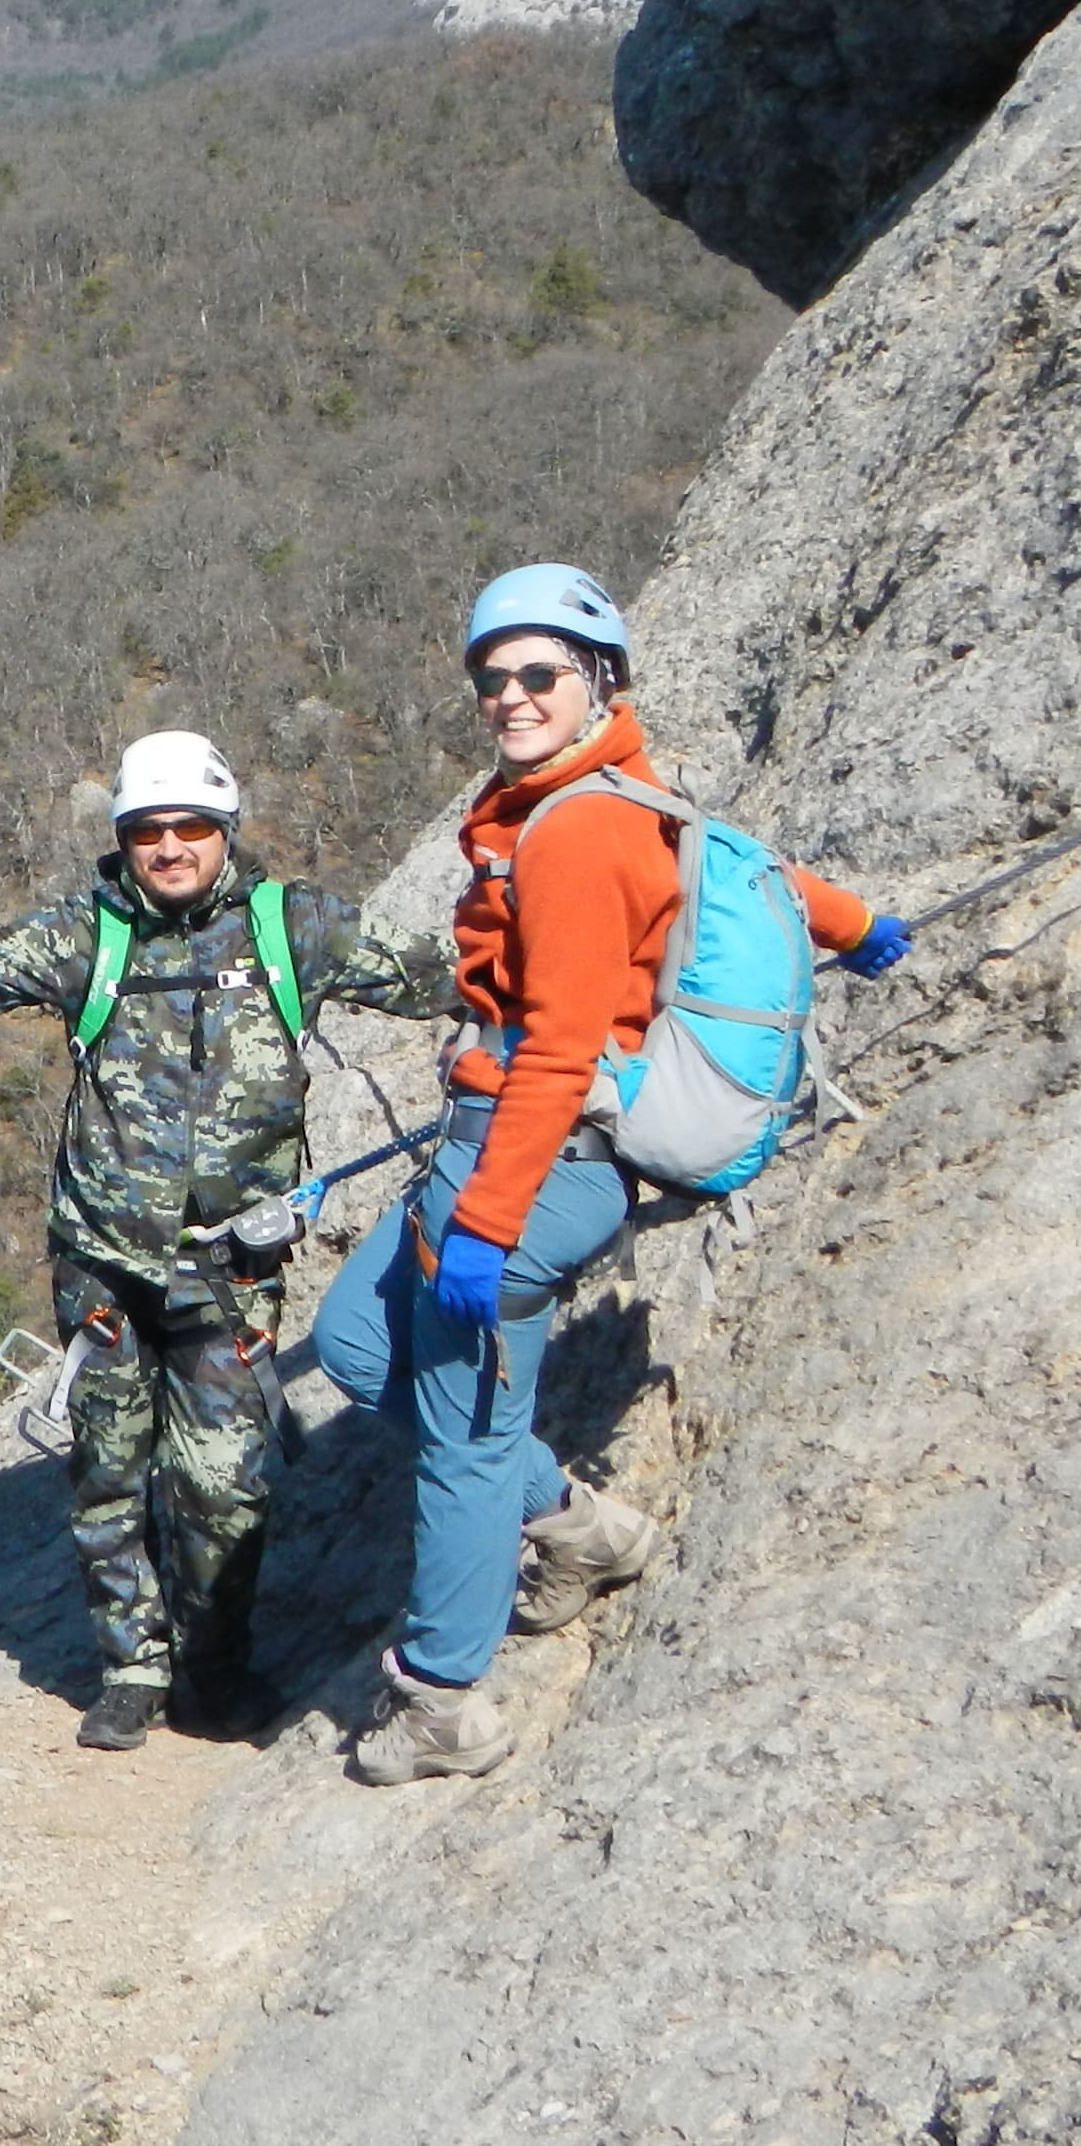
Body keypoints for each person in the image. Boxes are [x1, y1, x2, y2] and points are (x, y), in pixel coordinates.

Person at [306, 563, 910, 1785]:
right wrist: (852, 925)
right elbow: (737, 867)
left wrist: (483, 1226)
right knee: (363, 1349)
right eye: (493, 679)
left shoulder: (575, 830)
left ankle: (444, 1704)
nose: (511, 698)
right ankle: (585, 1529)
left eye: (539, 673)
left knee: (468, 1437)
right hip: (496, 1150)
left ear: (599, 677)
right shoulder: (614, 790)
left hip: (529, 1168)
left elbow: (564, 1040)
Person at [0, 732, 448, 1749]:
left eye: (190, 827)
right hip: (105, 1267)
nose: (170, 847)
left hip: (230, 1267)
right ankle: (130, 1671)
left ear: (225, 829)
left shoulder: (293, 928)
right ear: (123, 841)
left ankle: (213, 1672)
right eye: (148, 831)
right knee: (110, 1472)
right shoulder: (89, 937)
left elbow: (441, 976)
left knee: (224, 1484)